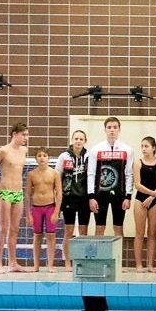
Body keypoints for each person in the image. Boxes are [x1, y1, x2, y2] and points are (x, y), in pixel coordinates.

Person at [87, 117, 134, 238]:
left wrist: (128, 196)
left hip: (119, 195)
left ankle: (118, 252)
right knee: (99, 228)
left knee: (118, 229)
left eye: (115, 127)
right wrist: (91, 196)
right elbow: (91, 174)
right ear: (105, 130)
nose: (112, 130)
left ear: (119, 130)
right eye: (109, 127)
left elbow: (129, 174)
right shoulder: (95, 149)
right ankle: (99, 252)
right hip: (100, 195)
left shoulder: (128, 150)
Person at [0, 123, 30, 273]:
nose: (26, 138)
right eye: (23, 135)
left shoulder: (24, 151)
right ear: (14, 134)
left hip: (18, 193)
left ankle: (12, 263)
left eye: (27, 135)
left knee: (15, 229)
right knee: (3, 228)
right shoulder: (3, 151)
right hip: (5, 192)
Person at [56, 130, 89, 268]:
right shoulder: (64, 156)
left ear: (85, 141)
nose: (78, 141)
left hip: (84, 198)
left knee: (83, 232)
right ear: (72, 140)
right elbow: (57, 177)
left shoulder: (89, 156)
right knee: (69, 231)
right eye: (76, 138)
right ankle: (67, 261)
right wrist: (58, 200)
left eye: (81, 139)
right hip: (68, 198)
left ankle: (81, 260)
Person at [132, 136, 156, 273]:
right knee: (139, 233)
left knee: (152, 234)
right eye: (142, 146)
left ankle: (150, 264)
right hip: (140, 199)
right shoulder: (138, 163)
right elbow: (137, 184)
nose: (144, 149)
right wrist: (152, 193)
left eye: (146, 146)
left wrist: (152, 197)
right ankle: (139, 264)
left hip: (154, 200)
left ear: (154, 148)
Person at [27, 149, 63, 273]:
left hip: (50, 207)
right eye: (39, 156)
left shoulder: (54, 173)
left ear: (49, 158)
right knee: (37, 236)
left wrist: (56, 211)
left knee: (51, 236)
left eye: (44, 155)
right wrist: (28, 214)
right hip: (36, 208)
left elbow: (59, 193)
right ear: (36, 158)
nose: (42, 158)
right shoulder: (31, 174)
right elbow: (27, 195)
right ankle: (36, 265)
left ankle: (50, 265)